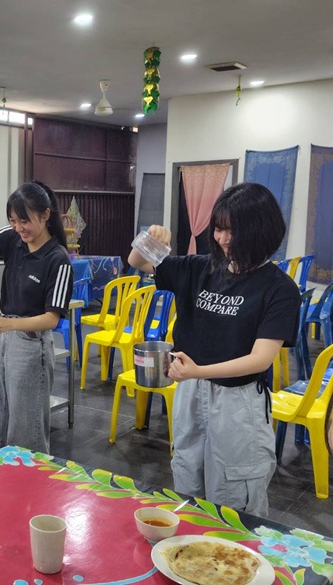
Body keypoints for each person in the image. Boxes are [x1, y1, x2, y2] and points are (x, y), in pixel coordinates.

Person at [128, 182, 300, 518]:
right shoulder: (199, 268)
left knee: (235, 495)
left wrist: (198, 371)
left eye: (233, 231)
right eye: (218, 228)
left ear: (261, 231)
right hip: (191, 392)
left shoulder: (279, 288)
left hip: (237, 403)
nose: (222, 239)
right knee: (188, 481)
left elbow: (260, 359)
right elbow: (137, 261)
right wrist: (150, 239)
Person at [0, 180, 72, 456]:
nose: (19, 228)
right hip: (2, 338)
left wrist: (11, 324)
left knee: (26, 428)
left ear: (45, 214)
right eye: (13, 221)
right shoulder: (13, 238)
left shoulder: (58, 259)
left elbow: (51, 319)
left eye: (24, 221)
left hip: (30, 345)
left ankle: (28, 479)